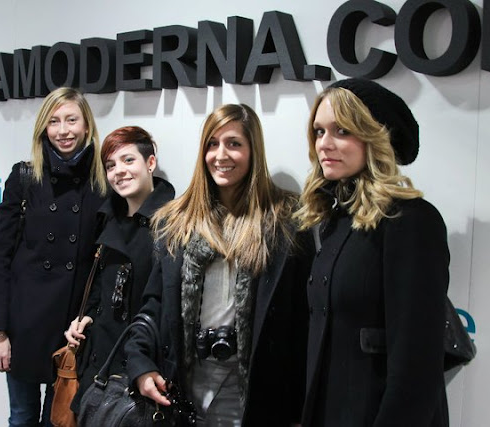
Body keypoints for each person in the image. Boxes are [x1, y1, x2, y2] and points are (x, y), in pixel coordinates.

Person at [125, 103, 309, 426]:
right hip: (183, 387)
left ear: (253, 151)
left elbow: (301, 320)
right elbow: (155, 305)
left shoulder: (283, 222)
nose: (221, 155)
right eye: (212, 144)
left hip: (255, 390)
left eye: (234, 143)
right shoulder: (176, 222)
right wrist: (140, 365)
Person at [295, 78, 450, 426]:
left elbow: (417, 369)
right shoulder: (334, 221)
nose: (325, 144)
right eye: (319, 132)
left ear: (375, 137)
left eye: (342, 131)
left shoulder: (411, 221)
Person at [0, 87, 108, 427]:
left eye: (71, 120)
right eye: (54, 121)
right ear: (43, 128)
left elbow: (102, 265)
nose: (63, 130)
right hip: (22, 324)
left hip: (70, 330)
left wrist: (89, 319)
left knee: (59, 420)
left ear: (86, 125)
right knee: (22, 418)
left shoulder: (102, 182)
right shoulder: (24, 177)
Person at [62, 126, 175, 416]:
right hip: (99, 361)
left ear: (150, 163)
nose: (118, 172)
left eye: (128, 160)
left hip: (141, 368)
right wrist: (86, 315)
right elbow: (101, 281)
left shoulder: (172, 224)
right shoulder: (107, 217)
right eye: (111, 165)